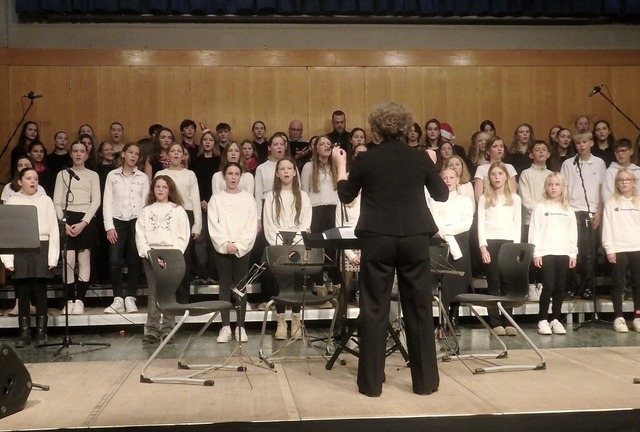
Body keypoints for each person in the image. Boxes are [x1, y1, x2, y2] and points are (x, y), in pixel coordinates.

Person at [333, 101, 447, 397]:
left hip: (378, 239)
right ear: (406, 128)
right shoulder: (420, 158)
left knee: (374, 308)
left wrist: (341, 167)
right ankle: (425, 384)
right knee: (419, 309)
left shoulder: (367, 159)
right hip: (414, 239)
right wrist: (432, 166)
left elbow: (346, 195)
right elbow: (442, 194)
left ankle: (371, 385)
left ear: (375, 128)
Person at [1, 167, 59, 347]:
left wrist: (52, 258)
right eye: (28, 178)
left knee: (40, 291)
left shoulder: (46, 200)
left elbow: (54, 229)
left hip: (41, 246)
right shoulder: (12, 201)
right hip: (20, 246)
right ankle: (24, 332)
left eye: (35, 178)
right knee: (23, 292)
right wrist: (7, 258)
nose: (33, 181)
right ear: (20, 181)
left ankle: (42, 331)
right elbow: (7, 231)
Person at [135, 175, 191, 344]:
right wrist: (149, 254)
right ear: (153, 189)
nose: (160, 189)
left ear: (169, 190)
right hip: (151, 255)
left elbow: (183, 235)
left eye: (164, 187)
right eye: (157, 186)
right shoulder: (147, 210)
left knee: (169, 294)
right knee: (153, 294)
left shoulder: (177, 210)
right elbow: (140, 234)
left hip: (171, 256)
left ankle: (168, 329)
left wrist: (172, 256)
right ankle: (152, 330)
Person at [262, 157, 312, 340]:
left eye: (289, 168)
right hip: (277, 241)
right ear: (277, 173)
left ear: (294, 172)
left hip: (297, 242)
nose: (286, 171)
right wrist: (279, 246)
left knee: (297, 282)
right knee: (279, 283)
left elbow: (306, 223)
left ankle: (297, 321)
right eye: (282, 168)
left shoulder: (303, 196)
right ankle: (281, 322)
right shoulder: (271, 196)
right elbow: (269, 223)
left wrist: (295, 245)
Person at [208, 162, 258, 343]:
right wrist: (225, 243)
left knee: (241, 287)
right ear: (224, 176)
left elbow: (251, 225)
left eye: (237, 174)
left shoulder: (248, 199)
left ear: (241, 176)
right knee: (224, 286)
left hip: (241, 249)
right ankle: (225, 327)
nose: (233, 177)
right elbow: (214, 224)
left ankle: (241, 327)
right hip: (223, 249)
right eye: (230, 173)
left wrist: (239, 245)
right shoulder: (216, 199)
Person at [53, 140, 101, 315]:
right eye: (75, 151)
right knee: (69, 260)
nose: (79, 154)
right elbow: (57, 201)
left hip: (85, 219)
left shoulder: (93, 175)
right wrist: (63, 222)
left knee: (84, 259)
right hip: (67, 218)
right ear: (71, 154)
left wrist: (84, 223)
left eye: (82, 151)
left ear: (87, 155)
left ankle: (80, 299)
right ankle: (69, 300)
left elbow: (96, 201)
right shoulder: (62, 174)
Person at [102, 143, 149, 314]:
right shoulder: (112, 176)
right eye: (130, 152)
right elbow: (107, 201)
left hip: (136, 221)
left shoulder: (143, 177)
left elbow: (146, 203)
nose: (133, 156)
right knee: (114, 260)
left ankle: (130, 297)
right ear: (123, 154)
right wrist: (109, 227)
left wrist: (143, 228)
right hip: (117, 221)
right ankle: (118, 298)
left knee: (134, 260)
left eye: (137, 154)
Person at [528, 173, 577, 335]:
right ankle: (542, 319)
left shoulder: (568, 209)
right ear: (546, 187)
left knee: (560, 287)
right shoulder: (541, 207)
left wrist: (573, 253)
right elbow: (534, 230)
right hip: (546, 251)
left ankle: (555, 319)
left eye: (557, 185)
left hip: (563, 252)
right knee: (548, 286)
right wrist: (536, 252)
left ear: (562, 188)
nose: (553, 187)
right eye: (550, 185)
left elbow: (572, 233)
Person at [478, 162, 522, 336]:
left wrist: (516, 248)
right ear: (489, 177)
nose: (497, 177)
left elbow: (517, 224)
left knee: (507, 283)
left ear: (506, 177)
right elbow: (480, 224)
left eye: (500, 174)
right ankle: (495, 321)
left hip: (509, 243)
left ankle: (508, 320)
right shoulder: (484, 198)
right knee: (494, 281)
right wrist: (483, 247)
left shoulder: (515, 199)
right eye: (493, 174)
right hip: (490, 242)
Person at [561, 131, 606, 299]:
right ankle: (572, 286)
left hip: (591, 211)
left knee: (589, 254)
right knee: (573, 251)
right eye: (578, 142)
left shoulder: (599, 163)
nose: (581, 145)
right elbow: (563, 189)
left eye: (584, 142)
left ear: (591, 143)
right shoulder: (568, 163)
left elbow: (603, 189)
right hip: (572, 211)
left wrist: (600, 212)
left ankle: (588, 287)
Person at [156, 142, 201, 303]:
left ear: (184, 156)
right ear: (167, 155)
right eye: (172, 151)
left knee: (185, 258)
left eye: (179, 151)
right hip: (166, 216)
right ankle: (167, 297)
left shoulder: (190, 174)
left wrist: (197, 225)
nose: (175, 153)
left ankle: (183, 299)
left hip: (186, 216)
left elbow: (195, 200)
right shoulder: (161, 173)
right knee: (167, 256)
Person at [429, 168, 474, 332]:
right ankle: (443, 318)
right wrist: (444, 233)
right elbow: (433, 219)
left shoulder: (465, 200)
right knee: (444, 281)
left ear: (457, 180)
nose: (448, 181)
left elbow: (466, 223)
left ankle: (454, 318)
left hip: (459, 242)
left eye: (451, 177)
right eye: (445, 178)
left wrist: (448, 231)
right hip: (441, 243)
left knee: (457, 282)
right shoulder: (435, 200)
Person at [602, 168, 640, 333]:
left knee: (638, 284)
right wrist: (609, 248)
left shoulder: (638, 201)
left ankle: (637, 316)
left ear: (634, 182)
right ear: (616, 183)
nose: (624, 182)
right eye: (620, 180)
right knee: (618, 284)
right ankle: (618, 317)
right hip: (618, 248)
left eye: (627, 179)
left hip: (637, 247)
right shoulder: (611, 203)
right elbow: (607, 227)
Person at [518, 140, 552, 301]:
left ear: (548, 154)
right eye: (537, 150)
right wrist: (541, 213)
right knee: (532, 254)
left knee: (546, 254)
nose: (541, 152)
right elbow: (526, 199)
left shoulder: (551, 175)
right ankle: (530, 286)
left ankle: (543, 285)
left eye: (544, 149)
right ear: (531, 154)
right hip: (530, 221)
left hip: (548, 222)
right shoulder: (526, 174)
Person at [190, 129, 222, 284]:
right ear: (201, 143)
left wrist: (211, 202)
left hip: (216, 205)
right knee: (200, 241)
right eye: (205, 140)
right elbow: (195, 184)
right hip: (200, 203)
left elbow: (219, 184)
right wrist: (202, 201)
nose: (208, 142)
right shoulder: (195, 162)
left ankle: (213, 274)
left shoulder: (219, 161)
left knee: (215, 240)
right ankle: (201, 274)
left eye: (211, 140)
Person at [473, 135, 518, 201]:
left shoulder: (509, 167)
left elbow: (513, 192)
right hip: (488, 204)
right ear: (488, 151)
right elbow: (478, 195)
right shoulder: (481, 169)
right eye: (495, 146)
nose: (499, 149)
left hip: (506, 203)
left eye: (501, 146)